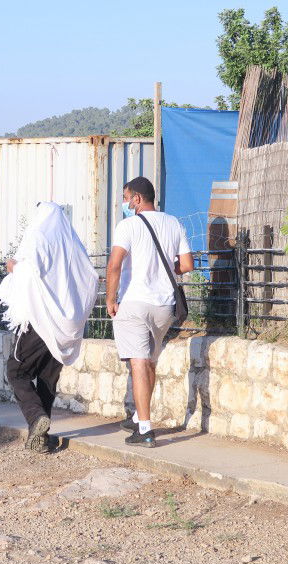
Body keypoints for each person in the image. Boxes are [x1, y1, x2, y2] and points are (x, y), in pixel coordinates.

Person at [0, 202, 98, 453]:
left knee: (16, 371)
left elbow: (28, 272)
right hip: (66, 325)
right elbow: (91, 279)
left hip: (40, 320)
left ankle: (36, 419)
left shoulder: (38, 236)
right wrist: (76, 314)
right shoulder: (73, 244)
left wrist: (13, 267)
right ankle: (40, 436)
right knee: (46, 379)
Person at [106, 177, 194, 448]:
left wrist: (110, 298)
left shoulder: (128, 225)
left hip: (134, 303)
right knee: (149, 362)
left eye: (126, 197)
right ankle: (137, 416)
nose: (124, 202)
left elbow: (115, 265)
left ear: (137, 199)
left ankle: (145, 429)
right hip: (164, 306)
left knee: (139, 363)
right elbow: (187, 265)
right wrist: (164, 273)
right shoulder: (174, 223)